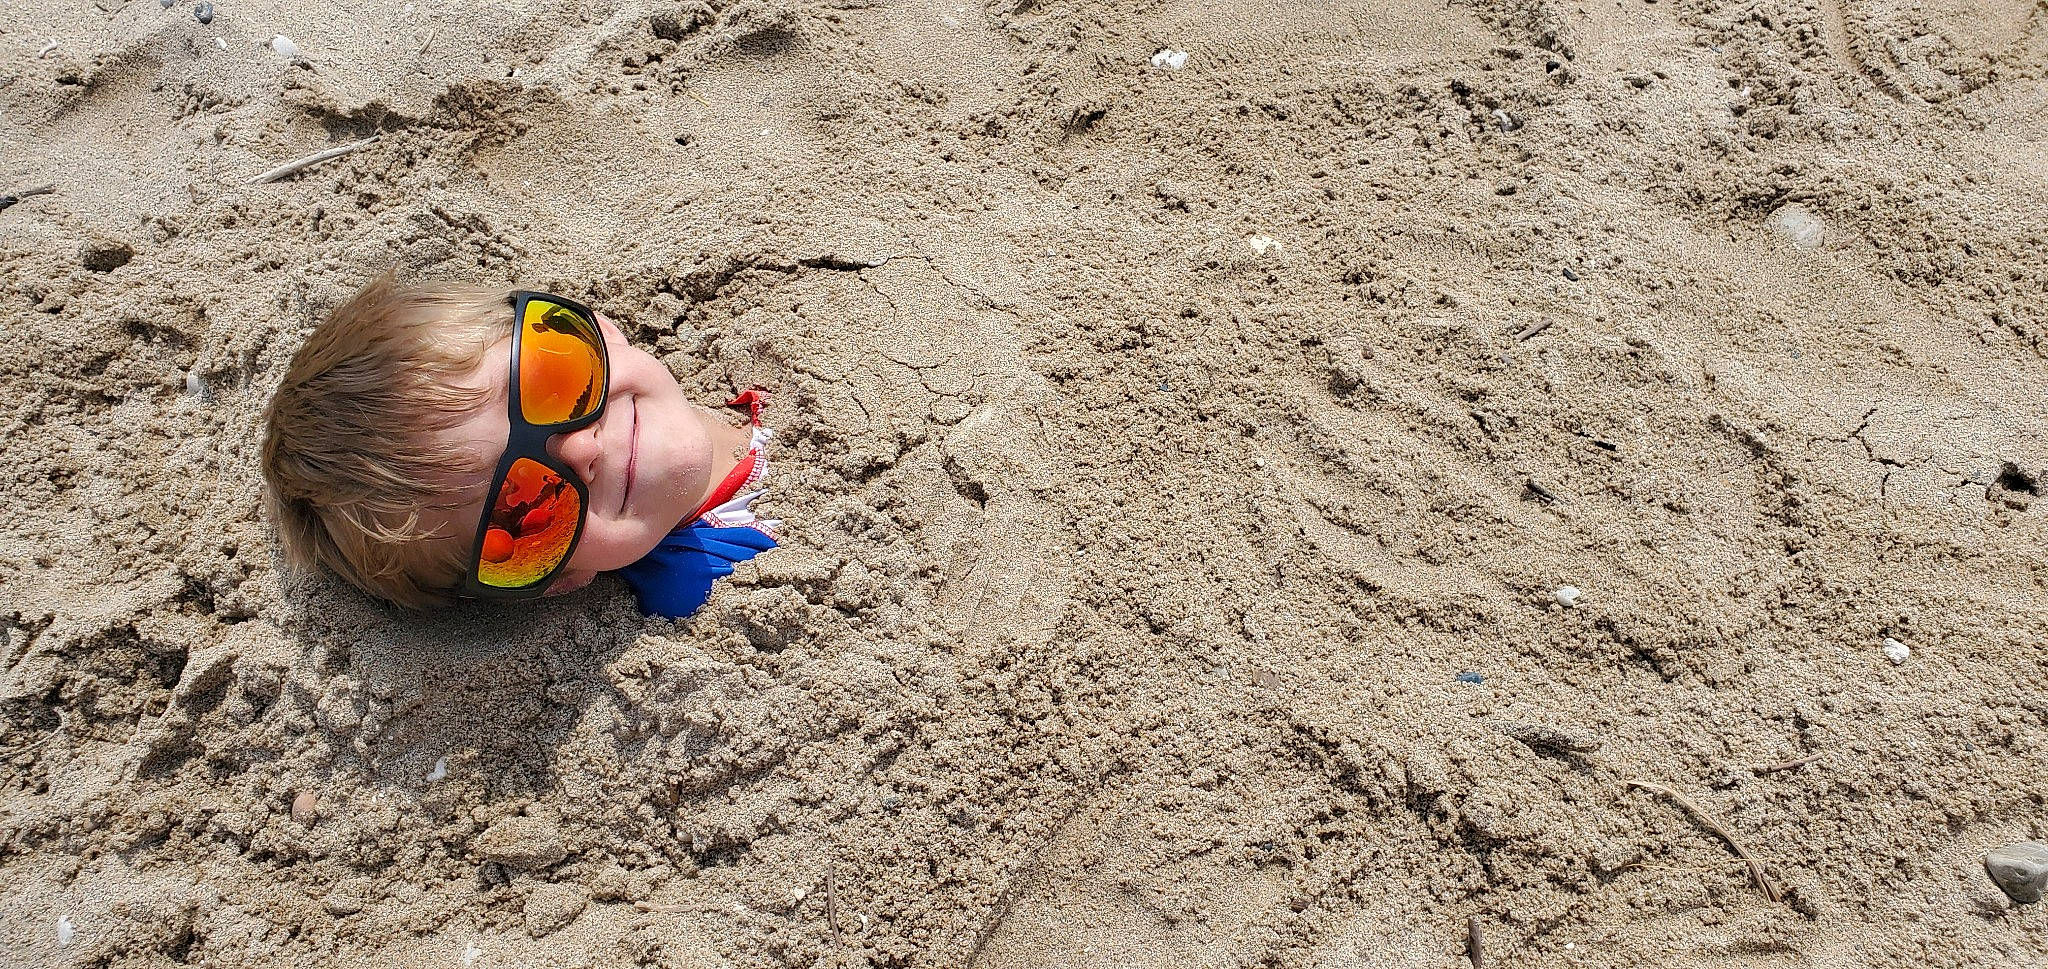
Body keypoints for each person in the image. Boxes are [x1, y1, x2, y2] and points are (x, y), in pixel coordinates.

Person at [260, 274, 777, 618]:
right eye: (526, 510)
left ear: (596, 328)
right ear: (558, 580)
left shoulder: (774, 335)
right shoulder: (707, 584)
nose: (581, 450)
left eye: (552, 381)